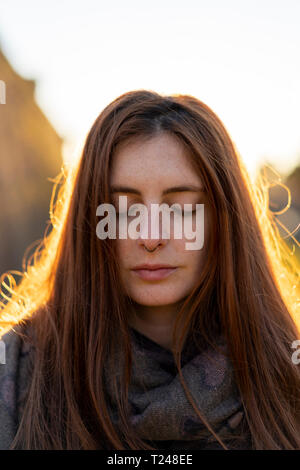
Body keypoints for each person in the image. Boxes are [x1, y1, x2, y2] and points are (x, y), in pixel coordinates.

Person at [0, 90, 299, 450]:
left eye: (183, 208)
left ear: (226, 221)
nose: (151, 236)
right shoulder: (15, 370)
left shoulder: (288, 373)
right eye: (124, 210)